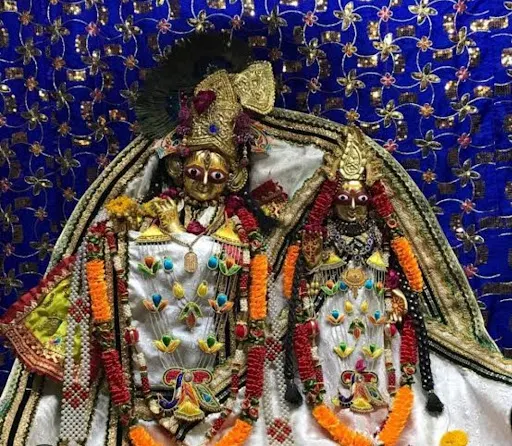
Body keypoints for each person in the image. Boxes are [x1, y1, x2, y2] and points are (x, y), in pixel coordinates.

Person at [0, 34, 276, 446]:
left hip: (219, 370)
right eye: (194, 173)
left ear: (233, 178)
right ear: (177, 170)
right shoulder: (155, 210)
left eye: (215, 176)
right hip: (145, 372)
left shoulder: (239, 228)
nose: (203, 182)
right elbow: (113, 243)